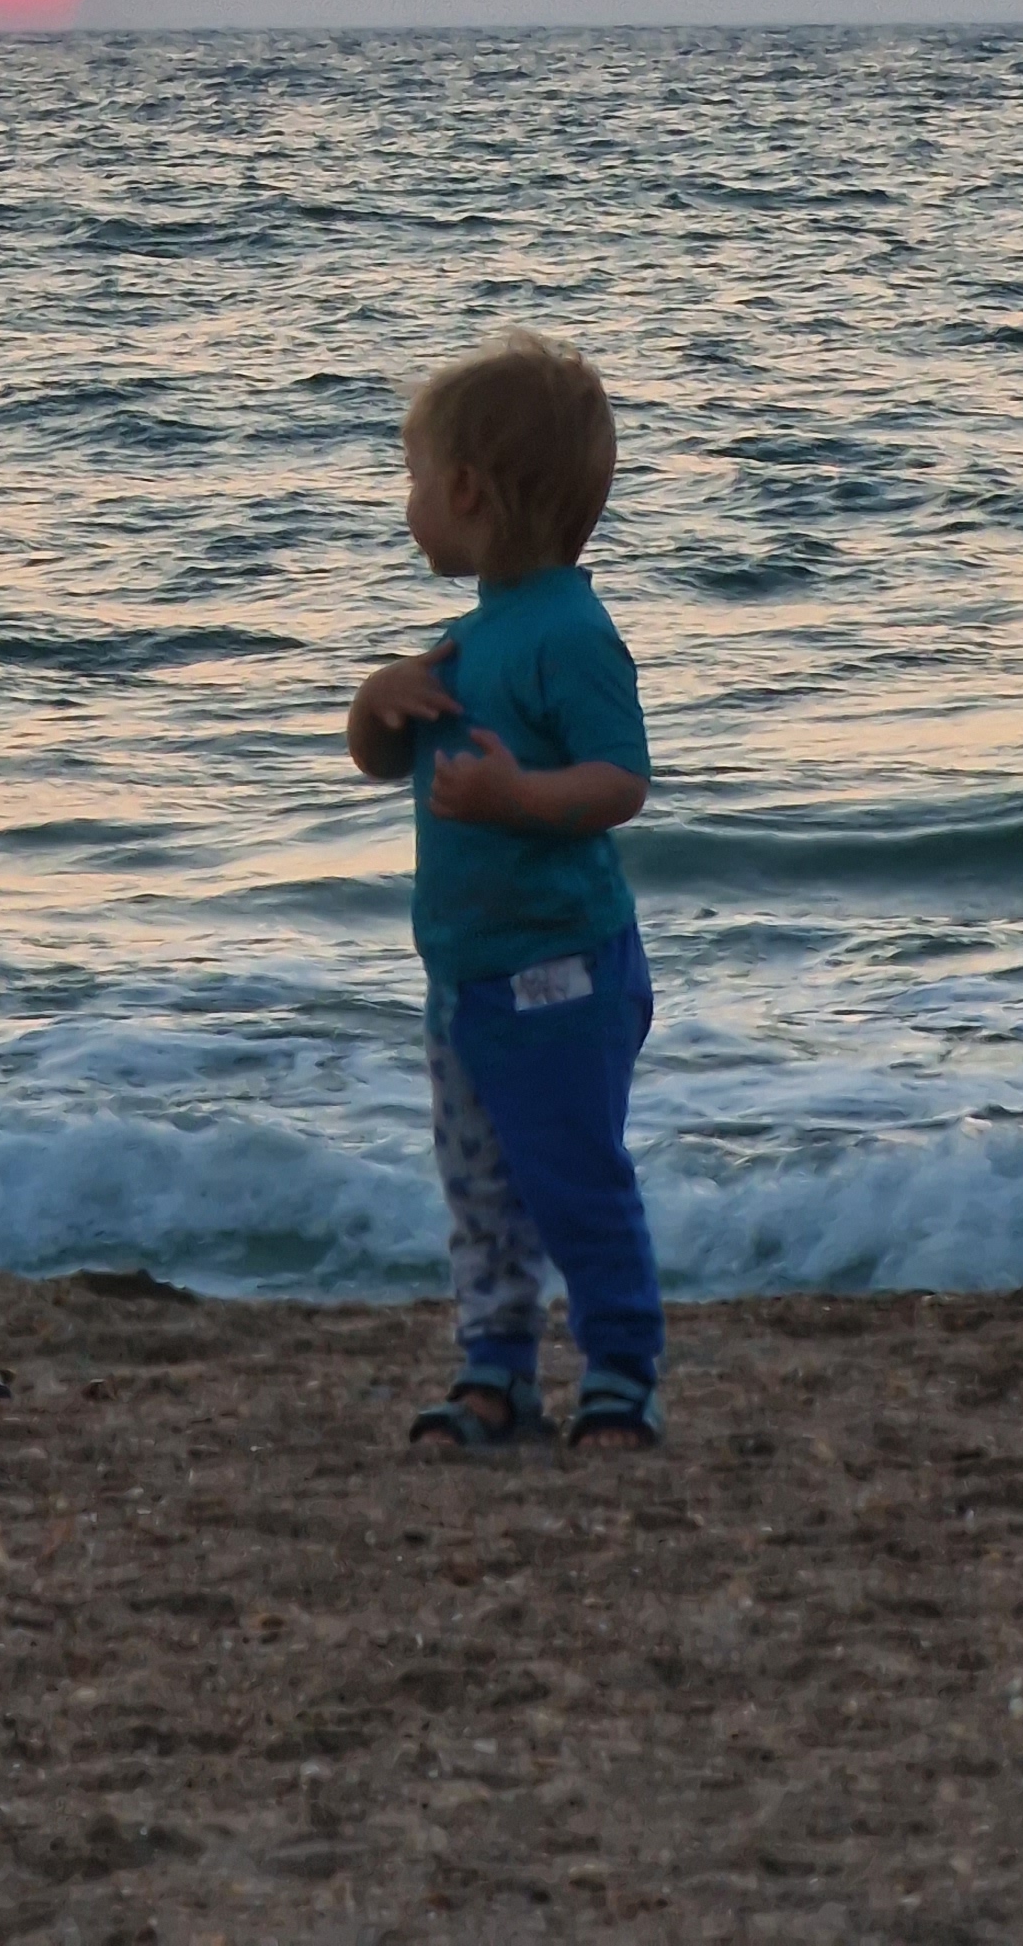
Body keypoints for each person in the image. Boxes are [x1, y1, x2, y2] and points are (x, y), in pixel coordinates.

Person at [345, 333, 663, 1449]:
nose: (410, 502)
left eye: (416, 477)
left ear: (469, 491)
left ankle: (621, 1369)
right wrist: (376, 702)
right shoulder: (468, 640)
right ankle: (497, 1369)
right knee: (480, 1191)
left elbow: (620, 779)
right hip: (467, 975)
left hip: (561, 971)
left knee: (572, 1178)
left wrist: (517, 797)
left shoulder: (571, 634)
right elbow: (381, 759)